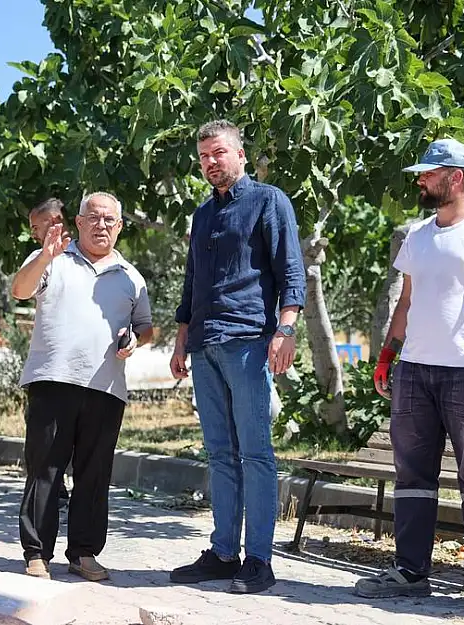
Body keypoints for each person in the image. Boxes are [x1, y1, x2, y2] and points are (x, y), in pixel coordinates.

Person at [356, 138, 464, 612]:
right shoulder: (418, 235)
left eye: (429, 173)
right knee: (412, 473)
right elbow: (406, 301)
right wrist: (389, 355)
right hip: (415, 373)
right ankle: (410, 571)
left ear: (456, 177)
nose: (420, 180)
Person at [168, 119, 306, 594]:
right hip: (204, 346)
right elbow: (191, 283)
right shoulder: (202, 215)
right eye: (205, 156)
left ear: (240, 155)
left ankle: (259, 561)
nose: (211, 162)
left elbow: (291, 271)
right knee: (220, 454)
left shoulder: (269, 201)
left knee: (255, 454)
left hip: (249, 343)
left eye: (219, 153)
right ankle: (224, 552)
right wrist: (182, 338)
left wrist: (285, 330)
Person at [11, 191, 154, 582]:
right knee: (45, 469)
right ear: (78, 222)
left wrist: (135, 340)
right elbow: (20, 290)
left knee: (94, 475)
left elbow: (146, 327)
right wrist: (44, 255)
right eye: (93, 218)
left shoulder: (131, 276)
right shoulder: (52, 256)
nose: (101, 225)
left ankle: (84, 553)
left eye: (110, 219)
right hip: (52, 380)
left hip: (106, 388)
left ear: (120, 226)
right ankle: (36, 553)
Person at [27, 197, 72, 505]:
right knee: (44, 451)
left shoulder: (91, 257)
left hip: (90, 374)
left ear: (55, 221)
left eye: (35, 226)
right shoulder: (40, 260)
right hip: (49, 371)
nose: (32, 233)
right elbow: (19, 291)